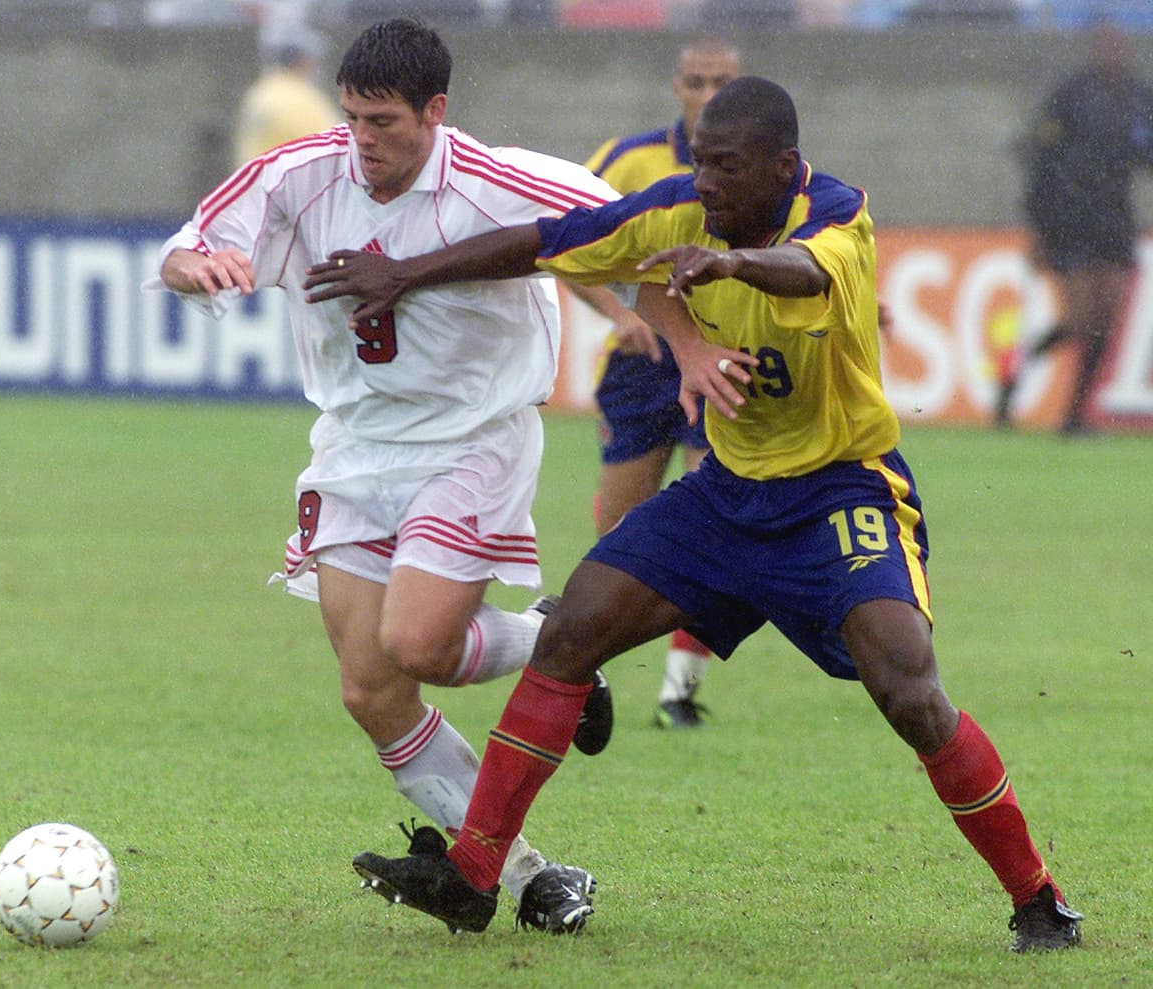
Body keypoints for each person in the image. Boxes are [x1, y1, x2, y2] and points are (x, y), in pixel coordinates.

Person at [308, 76, 1085, 952]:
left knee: (909, 689)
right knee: (571, 631)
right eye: (699, 162)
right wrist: (404, 272)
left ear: (782, 167)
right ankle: (475, 872)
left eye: (725, 166)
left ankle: (1037, 898)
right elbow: (543, 240)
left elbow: (803, 273)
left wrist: (730, 264)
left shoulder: (836, 215)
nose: (705, 180)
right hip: (723, 496)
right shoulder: (677, 210)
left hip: (839, 490)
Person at [153, 17, 618, 935]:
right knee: (371, 687)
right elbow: (183, 248)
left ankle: (558, 648)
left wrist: (662, 321)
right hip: (356, 446)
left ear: (435, 113)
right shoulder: (301, 172)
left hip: (471, 439)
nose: (364, 140)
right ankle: (526, 872)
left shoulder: (490, 178)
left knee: (417, 642)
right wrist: (196, 269)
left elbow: (611, 227)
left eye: (386, 123)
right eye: (354, 117)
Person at [571, 38, 740, 730]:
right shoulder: (631, 158)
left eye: (721, 83)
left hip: (719, 361)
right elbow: (564, 244)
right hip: (643, 363)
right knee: (621, 530)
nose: (708, 95)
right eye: (697, 82)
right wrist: (618, 312)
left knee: (716, 521)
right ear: (677, 87)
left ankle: (678, 691)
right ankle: (583, 662)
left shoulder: (763, 170)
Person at [996, 20, 1153, 435]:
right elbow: (1038, 157)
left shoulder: (1139, 98)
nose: (1112, 51)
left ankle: (1074, 416)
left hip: (1114, 219)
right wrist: (1039, 226)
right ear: (1094, 47)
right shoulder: (1072, 95)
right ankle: (1012, 383)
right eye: (1105, 44)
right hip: (1070, 218)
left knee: (1107, 315)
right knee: (1083, 320)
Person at [233, 16, 341, 165]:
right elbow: (333, 151)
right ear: (302, 60)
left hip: (256, 181)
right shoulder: (301, 99)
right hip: (290, 183)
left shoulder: (261, 91)